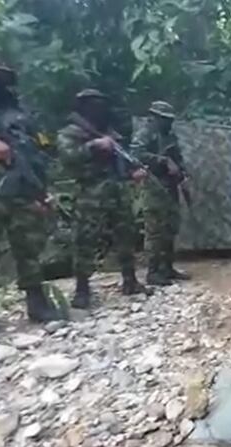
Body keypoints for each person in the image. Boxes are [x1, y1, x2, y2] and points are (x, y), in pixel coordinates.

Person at [0, 55, 62, 336]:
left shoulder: (20, 113)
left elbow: (38, 153)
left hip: (23, 186)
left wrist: (42, 190)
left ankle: (37, 302)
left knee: (29, 246)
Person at [58, 89, 150, 309]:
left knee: (125, 234)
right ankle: (82, 289)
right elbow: (67, 157)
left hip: (116, 190)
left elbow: (120, 161)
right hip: (90, 192)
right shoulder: (71, 132)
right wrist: (93, 146)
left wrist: (133, 172)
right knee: (85, 240)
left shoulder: (110, 133)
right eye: (93, 105)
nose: (99, 109)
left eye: (101, 104)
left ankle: (130, 280)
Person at [130, 101, 190, 286]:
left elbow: (177, 158)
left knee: (170, 227)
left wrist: (184, 175)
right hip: (154, 186)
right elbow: (136, 154)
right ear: (155, 118)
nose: (168, 123)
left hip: (170, 186)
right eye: (165, 119)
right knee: (155, 231)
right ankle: (153, 272)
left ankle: (167, 267)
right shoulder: (145, 134)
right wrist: (162, 161)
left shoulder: (169, 136)